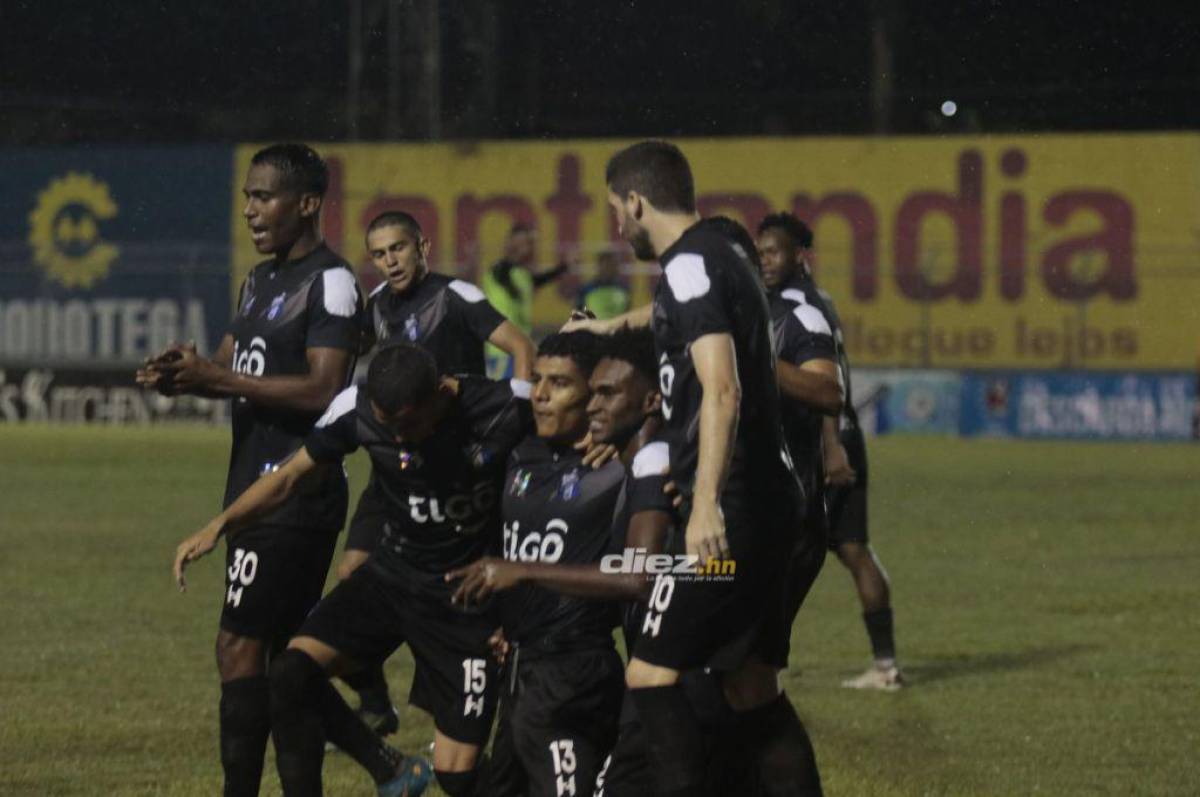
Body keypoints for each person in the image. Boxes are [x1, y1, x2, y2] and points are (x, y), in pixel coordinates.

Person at [568, 141, 823, 796]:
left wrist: (706, 499)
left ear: (636, 202)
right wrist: (599, 334)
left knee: (650, 674)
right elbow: (666, 320)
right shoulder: (723, 254)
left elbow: (723, 387)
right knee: (751, 685)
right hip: (775, 500)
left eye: (616, 212)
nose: (617, 228)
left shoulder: (686, 265)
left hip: (734, 503)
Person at [173, 343, 535, 797]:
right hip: (392, 578)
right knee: (289, 676)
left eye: (409, 425)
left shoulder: (507, 406)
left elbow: (582, 428)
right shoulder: (356, 408)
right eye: (390, 428)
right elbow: (289, 476)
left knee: (458, 775)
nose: (401, 440)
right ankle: (371, 771)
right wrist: (220, 525)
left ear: (441, 393)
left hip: (466, 599)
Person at [138, 143, 362, 797]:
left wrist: (218, 375)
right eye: (247, 196)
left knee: (238, 647)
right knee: (289, 664)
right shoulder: (259, 280)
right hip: (254, 486)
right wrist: (184, 378)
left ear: (309, 203)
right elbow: (232, 369)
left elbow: (327, 391)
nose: (250, 210)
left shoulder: (334, 281)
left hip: (295, 490)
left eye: (264, 196)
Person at [336, 210, 536, 734]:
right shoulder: (375, 308)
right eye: (378, 254)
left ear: (422, 245)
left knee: (475, 595)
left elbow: (520, 347)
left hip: (461, 468)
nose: (389, 262)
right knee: (351, 573)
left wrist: (516, 418)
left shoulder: (457, 296)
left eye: (398, 249)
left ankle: (489, 708)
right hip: (400, 465)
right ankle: (376, 702)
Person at [451, 331, 630, 797]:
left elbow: (642, 572)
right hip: (517, 664)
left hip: (575, 670)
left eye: (560, 384)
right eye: (537, 380)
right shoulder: (519, 451)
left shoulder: (618, 467)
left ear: (594, 395)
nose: (542, 396)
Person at [757, 212, 904, 691]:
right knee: (852, 550)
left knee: (782, 558)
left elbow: (824, 385)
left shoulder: (798, 306)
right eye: (759, 253)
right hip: (841, 437)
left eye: (773, 252)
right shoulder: (819, 302)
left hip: (827, 442)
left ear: (802, 257)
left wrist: (831, 446)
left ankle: (764, 670)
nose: (764, 261)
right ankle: (885, 666)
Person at [482, 223, 568, 376]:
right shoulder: (499, 269)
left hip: (520, 348)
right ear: (510, 244)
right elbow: (504, 273)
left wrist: (562, 268)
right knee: (503, 396)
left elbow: (537, 280)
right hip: (501, 350)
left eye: (529, 243)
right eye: (524, 243)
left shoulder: (522, 274)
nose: (529, 247)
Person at [577, 249, 632, 321]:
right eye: (607, 265)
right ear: (599, 266)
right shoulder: (586, 289)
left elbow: (627, 314)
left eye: (613, 265)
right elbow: (579, 314)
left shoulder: (624, 289)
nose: (610, 268)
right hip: (593, 330)